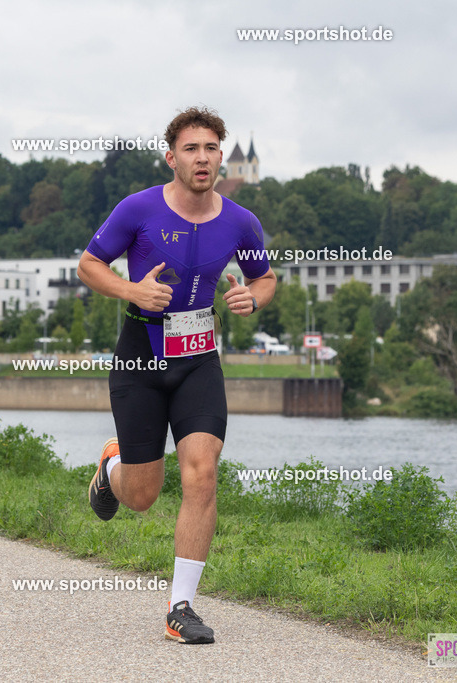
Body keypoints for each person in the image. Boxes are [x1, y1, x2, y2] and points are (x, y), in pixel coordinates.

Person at [77, 107, 276, 644]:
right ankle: (111, 467)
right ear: (172, 157)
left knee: (201, 471)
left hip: (197, 358)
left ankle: (180, 607)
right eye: (191, 148)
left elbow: (265, 278)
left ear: (220, 156)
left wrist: (250, 298)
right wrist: (132, 290)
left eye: (212, 147)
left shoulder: (240, 221)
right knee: (142, 494)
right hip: (141, 355)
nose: (203, 157)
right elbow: (89, 264)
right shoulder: (137, 209)